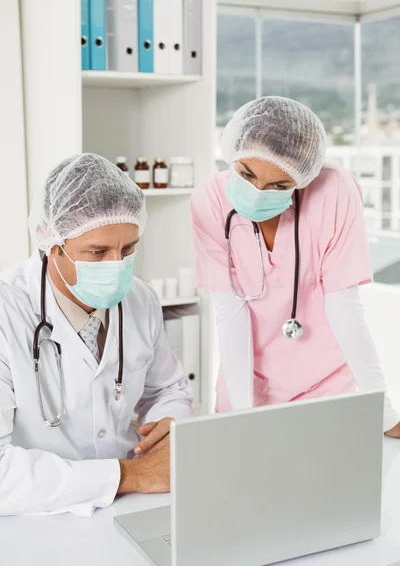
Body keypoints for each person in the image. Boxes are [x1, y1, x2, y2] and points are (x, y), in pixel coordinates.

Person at [191, 96, 400, 438]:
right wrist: (242, 415)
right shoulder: (209, 202)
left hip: (327, 388)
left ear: (303, 178)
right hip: (248, 387)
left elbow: (344, 305)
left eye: (279, 186)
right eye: (245, 174)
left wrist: (383, 412)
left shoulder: (334, 189)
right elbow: (230, 314)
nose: (258, 193)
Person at [0, 153, 192, 517]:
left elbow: (168, 388)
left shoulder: (139, 297)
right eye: (98, 251)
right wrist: (130, 475)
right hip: (36, 517)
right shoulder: (6, 312)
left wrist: (167, 422)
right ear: (52, 245)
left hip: (132, 508)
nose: (117, 264)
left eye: (128, 248)